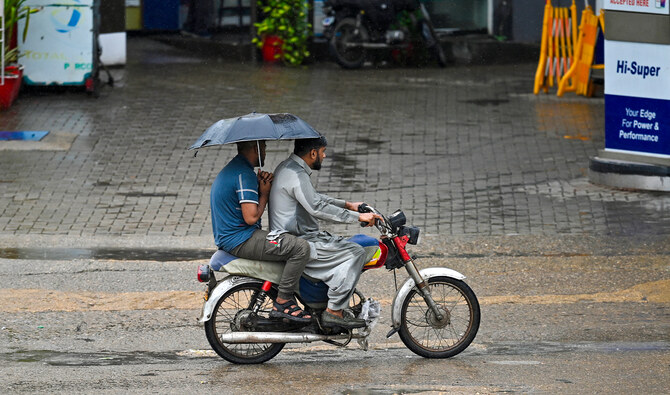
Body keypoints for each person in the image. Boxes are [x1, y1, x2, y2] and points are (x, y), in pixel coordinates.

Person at [268, 136, 381, 329]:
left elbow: (313, 198)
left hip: (297, 236)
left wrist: (348, 205)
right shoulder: (296, 174)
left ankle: (325, 302)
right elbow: (316, 206)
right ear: (313, 153)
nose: (325, 155)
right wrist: (357, 218)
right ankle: (334, 311)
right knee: (356, 252)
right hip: (299, 240)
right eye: (323, 152)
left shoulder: (287, 168)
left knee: (342, 244)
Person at [210, 140, 313, 323]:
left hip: (232, 237)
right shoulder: (244, 174)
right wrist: (264, 193)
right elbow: (251, 217)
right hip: (241, 239)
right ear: (254, 148)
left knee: (288, 243)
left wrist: (259, 186)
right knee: (300, 248)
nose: (265, 151)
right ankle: (283, 301)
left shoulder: (234, 169)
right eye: (263, 147)